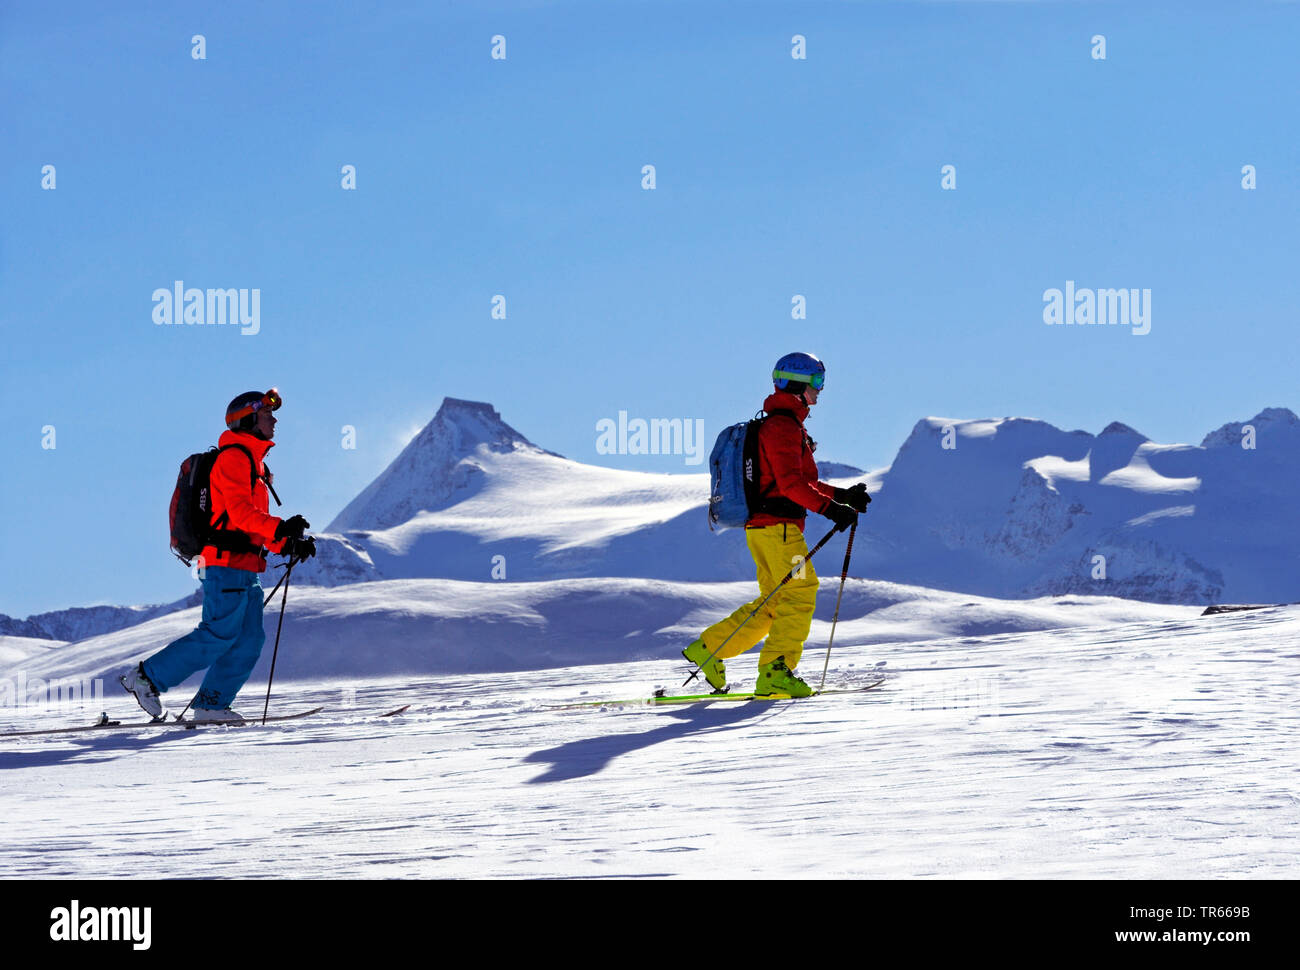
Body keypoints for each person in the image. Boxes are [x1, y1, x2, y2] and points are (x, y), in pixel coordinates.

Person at [120, 389, 316, 722]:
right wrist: (281, 527)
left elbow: (253, 526)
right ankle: (146, 677)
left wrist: (286, 544)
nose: (275, 420)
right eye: (268, 414)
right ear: (249, 419)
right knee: (218, 634)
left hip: (245, 566)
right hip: (224, 564)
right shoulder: (234, 458)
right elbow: (239, 513)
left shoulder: (257, 467)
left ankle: (211, 704)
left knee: (250, 640)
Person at [683, 353, 871, 697]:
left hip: (764, 530)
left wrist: (842, 496)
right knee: (800, 591)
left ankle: (710, 649)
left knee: (774, 603)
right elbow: (790, 485)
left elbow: (801, 481)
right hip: (780, 530)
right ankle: (775, 672)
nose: (820, 390)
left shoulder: (782, 425)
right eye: (816, 382)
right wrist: (831, 510)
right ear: (797, 385)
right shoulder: (783, 427)